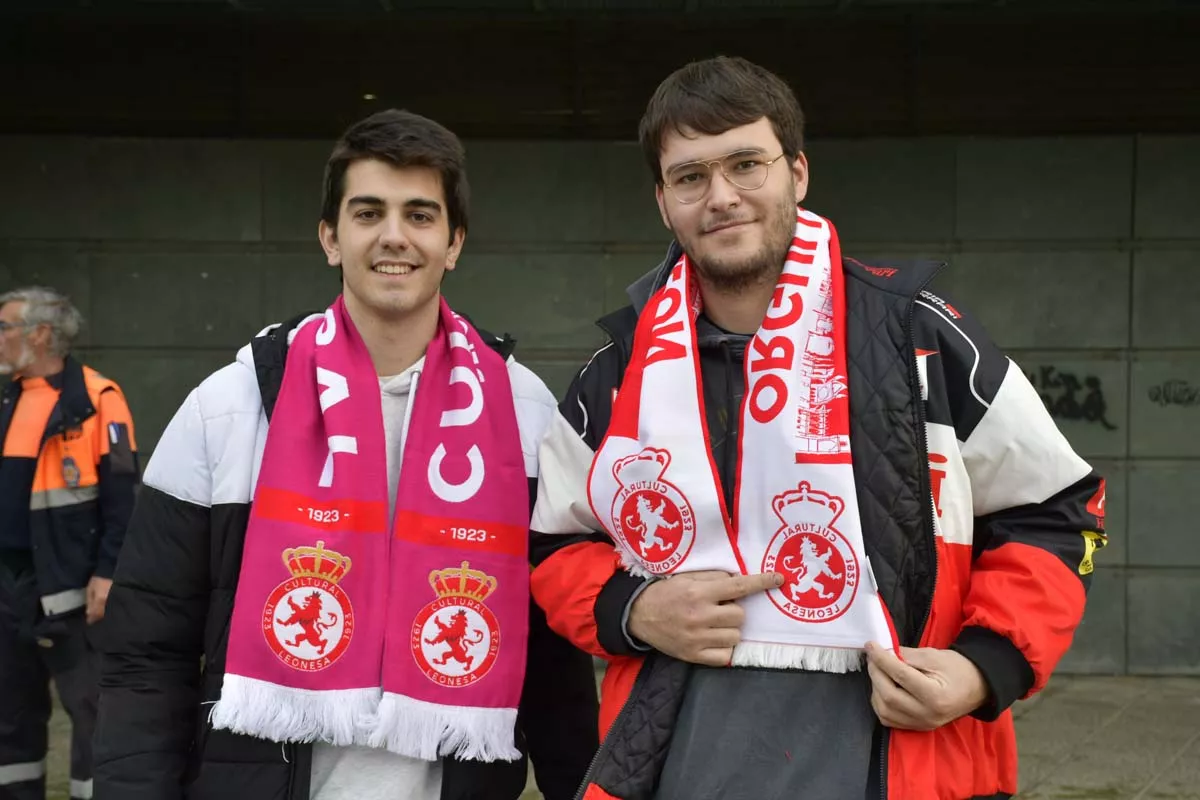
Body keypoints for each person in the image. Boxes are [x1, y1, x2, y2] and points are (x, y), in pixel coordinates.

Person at [529, 56, 1107, 800]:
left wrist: (981, 667)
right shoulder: (618, 372)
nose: (722, 197)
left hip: (896, 755)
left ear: (797, 172)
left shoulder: (919, 337)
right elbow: (551, 544)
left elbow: (1061, 511)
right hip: (680, 759)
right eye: (691, 176)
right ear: (663, 201)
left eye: (746, 164)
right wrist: (631, 610)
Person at [93, 109, 599, 800]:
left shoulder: (525, 410)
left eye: (421, 215)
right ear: (331, 237)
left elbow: (556, 675)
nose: (395, 236)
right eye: (369, 213)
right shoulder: (229, 406)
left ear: (454, 243)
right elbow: (147, 656)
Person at [0, 287, 139, 800]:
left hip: (72, 592)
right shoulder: (8, 397)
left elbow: (125, 498)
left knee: (90, 711)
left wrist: (109, 574)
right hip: (8, 588)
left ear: (39, 334)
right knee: (9, 713)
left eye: (4, 327)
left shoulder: (99, 400)